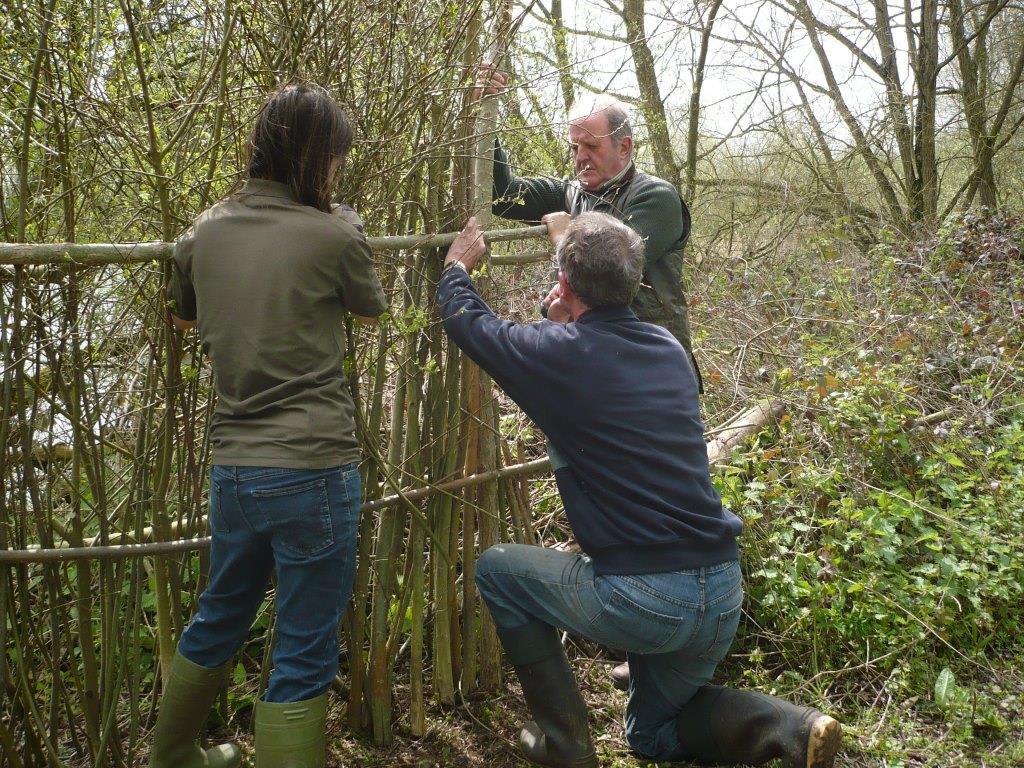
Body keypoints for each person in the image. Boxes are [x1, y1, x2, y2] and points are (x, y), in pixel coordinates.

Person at [437, 213, 841, 768]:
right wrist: (563, 311)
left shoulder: (561, 354)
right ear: (634, 282)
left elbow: (470, 325)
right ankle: (789, 727)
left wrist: (457, 268)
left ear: (567, 285)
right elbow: (580, 357)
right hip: (720, 589)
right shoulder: (668, 349)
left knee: (497, 570)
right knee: (650, 736)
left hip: (646, 600)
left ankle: (566, 747)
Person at [154, 84, 387, 768]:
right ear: (316, 158)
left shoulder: (204, 229)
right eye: (336, 160)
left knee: (220, 612)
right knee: (305, 641)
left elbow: (184, 314)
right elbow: (369, 310)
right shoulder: (333, 232)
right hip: (314, 465)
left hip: (234, 468)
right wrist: (349, 221)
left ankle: (172, 757)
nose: (338, 172)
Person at [476, 68, 699, 389]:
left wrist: (564, 238)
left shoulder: (656, 198)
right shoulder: (571, 194)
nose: (580, 158)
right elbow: (503, 197)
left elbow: (607, 273)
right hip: (594, 366)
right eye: (574, 147)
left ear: (624, 147)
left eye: (591, 147)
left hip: (651, 371)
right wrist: (484, 116)